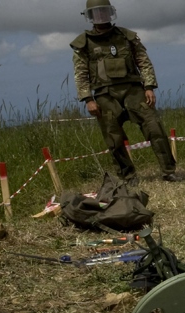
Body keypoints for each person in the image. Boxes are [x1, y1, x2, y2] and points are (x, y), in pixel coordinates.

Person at [70, 0, 178, 184]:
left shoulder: (127, 36)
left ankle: (169, 171)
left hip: (133, 90)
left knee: (154, 127)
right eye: (96, 13)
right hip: (105, 95)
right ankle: (128, 177)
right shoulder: (84, 43)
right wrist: (88, 99)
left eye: (104, 12)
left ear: (110, 12)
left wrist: (149, 87)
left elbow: (143, 61)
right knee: (113, 138)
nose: (101, 16)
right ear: (89, 16)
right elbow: (80, 73)